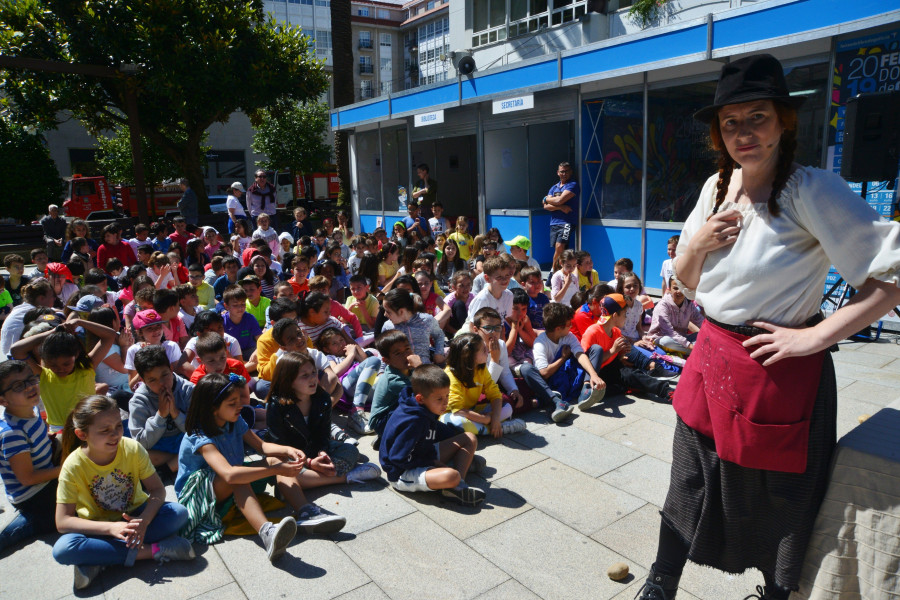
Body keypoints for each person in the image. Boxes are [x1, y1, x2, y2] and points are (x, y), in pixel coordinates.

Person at [635, 54, 900, 600]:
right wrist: (700, 245)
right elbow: (683, 284)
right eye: (730, 122)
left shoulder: (811, 189)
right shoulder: (715, 188)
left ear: (784, 121)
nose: (743, 132)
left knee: (781, 495)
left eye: (757, 116)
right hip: (711, 356)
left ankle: (777, 594)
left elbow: (891, 277)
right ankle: (661, 581)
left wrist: (816, 336)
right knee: (689, 476)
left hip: (778, 369)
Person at [53, 396, 194, 590]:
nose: (115, 435)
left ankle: (99, 560)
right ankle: (154, 551)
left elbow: (157, 489)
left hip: (136, 517)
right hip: (99, 529)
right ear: (81, 434)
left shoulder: (132, 448)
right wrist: (111, 529)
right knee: (63, 549)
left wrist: (144, 519)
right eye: (105, 430)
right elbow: (63, 521)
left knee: (178, 514)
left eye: (119, 426)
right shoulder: (72, 466)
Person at [174, 373, 300, 557]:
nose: (240, 405)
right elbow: (229, 474)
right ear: (213, 408)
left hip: (226, 483)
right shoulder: (199, 435)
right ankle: (267, 533)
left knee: (276, 459)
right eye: (232, 403)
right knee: (238, 478)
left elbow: (262, 446)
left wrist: (287, 450)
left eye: (239, 399)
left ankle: (305, 511)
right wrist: (275, 470)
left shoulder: (233, 420)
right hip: (198, 498)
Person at [263, 352, 381, 531]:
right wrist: (309, 462)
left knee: (351, 451)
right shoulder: (276, 405)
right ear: (287, 380)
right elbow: (279, 443)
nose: (312, 379)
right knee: (283, 469)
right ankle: (345, 477)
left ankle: (307, 480)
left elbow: (323, 435)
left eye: (313, 373)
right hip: (290, 455)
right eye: (304, 376)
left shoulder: (322, 399)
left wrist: (322, 454)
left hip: (314, 450)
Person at [380, 364, 486, 506]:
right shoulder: (414, 422)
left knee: (469, 438)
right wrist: (432, 463)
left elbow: (438, 434)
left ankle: (457, 485)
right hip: (402, 471)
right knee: (452, 475)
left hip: (422, 453)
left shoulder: (426, 409)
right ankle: (453, 481)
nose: (445, 402)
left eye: (447, 396)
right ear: (420, 399)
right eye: (439, 399)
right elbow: (398, 458)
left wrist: (452, 443)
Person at [11, 318, 117, 434]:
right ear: (44, 360)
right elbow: (16, 350)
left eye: (66, 363)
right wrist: (53, 332)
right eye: (53, 365)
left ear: (76, 355)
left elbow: (110, 335)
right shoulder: (44, 376)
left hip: (89, 426)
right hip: (59, 431)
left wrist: (79, 322)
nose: (60, 369)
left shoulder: (86, 368)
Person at [0, 360, 60, 554]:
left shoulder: (31, 411)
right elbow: (27, 478)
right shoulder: (12, 432)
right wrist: (65, 468)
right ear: (3, 400)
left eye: (30, 379)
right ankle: (29, 523)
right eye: (18, 386)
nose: (30, 387)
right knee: (75, 509)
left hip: (46, 478)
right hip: (32, 495)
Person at [518, 302, 606, 424]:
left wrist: (593, 374)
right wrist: (563, 358)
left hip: (568, 376)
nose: (571, 327)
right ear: (558, 328)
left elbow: (580, 355)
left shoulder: (568, 336)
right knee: (525, 369)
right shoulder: (540, 343)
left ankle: (586, 389)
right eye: (569, 324)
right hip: (550, 383)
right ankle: (556, 401)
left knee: (596, 349)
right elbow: (544, 373)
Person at [440, 333, 525, 438]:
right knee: (456, 422)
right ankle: (498, 428)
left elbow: (495, 394)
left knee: (507, 407)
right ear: (469, 355)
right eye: (484, 350)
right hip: (452, 413)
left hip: (472, 410)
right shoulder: (451, 374)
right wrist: (487, 419)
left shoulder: (481, 368)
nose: (488, 352)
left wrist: (494, 417)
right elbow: (458, 410)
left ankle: (485, 427)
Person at [381, 289, 445, 365]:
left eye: (388, 312)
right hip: (400, 370)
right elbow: (384, 351)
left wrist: (439, 353)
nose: (384, 314)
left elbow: (439, 335)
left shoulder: (426, 320)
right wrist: (382, 371)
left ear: (401, 311)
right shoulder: (388, 326)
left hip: (424, 367)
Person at [645, 277, 704, 356]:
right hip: (662, 338)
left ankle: (689, 351)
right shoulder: (663, 305)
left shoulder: (689, 304)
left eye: (682, 288)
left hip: (681, 340)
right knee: (666, 341)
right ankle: (696, 352)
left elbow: (701, 322)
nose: (679, 291)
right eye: (676, 288)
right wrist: (689, 345)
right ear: (669, 289)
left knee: (702, 335)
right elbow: (669, 332)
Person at [542, 161, 579, 272]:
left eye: (567, 171)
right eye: (562, 171)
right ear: (558, 173)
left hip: (567, 222)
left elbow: (559, 200)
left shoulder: (573, 185)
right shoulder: (554, 187)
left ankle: (552, 272)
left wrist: (546, 198)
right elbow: (545, 207)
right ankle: (562, 272)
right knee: (561, 251)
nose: (564, 174)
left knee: (559, 247)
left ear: (571, 172)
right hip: (554, 223)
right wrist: (560, 207)